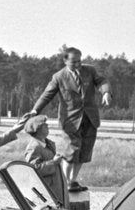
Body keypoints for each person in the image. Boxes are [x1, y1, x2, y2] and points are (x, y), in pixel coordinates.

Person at [30, 47, 111, 192]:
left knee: (84, 152)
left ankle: (72, 181)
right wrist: (35, 110)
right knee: (72, 151)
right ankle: (65, 182)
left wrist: (105, 92)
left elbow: (102, 81)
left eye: (80, 61)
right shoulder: (58, 77)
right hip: (70, 121)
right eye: (74, 62)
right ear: (65, 61)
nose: (78, 64)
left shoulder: (90, 71)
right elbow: (47, 95)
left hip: (90, 118)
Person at [23, 115, 66, 205]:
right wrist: (53, 162)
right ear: (37, 129)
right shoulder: (34, 147)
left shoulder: (46, 144)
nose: (47, 126)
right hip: (46, 194)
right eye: (44, 125)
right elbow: (34, 170)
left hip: (54, 191)